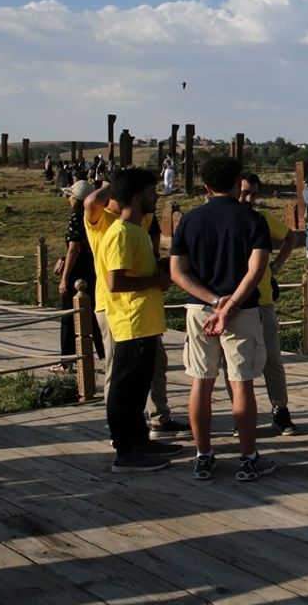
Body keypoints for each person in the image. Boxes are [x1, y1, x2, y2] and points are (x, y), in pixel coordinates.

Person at [170, 155, 274, 482]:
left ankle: (203, 456)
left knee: (201, 381)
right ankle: (248, 456)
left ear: (205, 186)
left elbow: (177, 272)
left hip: (201, 309)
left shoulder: (189, 220)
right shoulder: (253, 220)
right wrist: (229, 306)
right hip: (242, 310)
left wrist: (214, 301)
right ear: (236, 183)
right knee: (241, 383)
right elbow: (255, 271)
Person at [84, 181, 186, 437]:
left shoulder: (137, 222)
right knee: (119, 372)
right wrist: (116, 181)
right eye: (150, 191)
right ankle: (120, 430)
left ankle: (157, 418)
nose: (155, 196)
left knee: (153, 366)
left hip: (142, 310)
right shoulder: (103, 221)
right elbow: (91, 202)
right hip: (114, 307)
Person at [98, 168, 181, 473]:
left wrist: (158, 269)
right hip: (131, 322)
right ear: (136, 196)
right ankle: (125, 450)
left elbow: (137, 272)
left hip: (145, 322)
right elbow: (115, 283)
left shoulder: (137, 230)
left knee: (139, 388)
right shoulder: (120, 233)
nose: (155, 196)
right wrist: (154, 282)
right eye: (151, 191)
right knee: (125, 389)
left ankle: (140, 440)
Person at [236, 173, 300, 436]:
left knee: (272, 360)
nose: (248, 199)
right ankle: (240, 416)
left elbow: (290, 237)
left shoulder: (261, 219)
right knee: (237, 365)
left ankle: (280, 409)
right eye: (244, 193)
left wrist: (276, 266)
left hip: (261, 301)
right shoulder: (226, 219)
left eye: (253, 194)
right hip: (234, 302)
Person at [58, 180, 105, 365]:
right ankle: (105, 352)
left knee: (69, 314)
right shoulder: (95, 216)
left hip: (78, 269)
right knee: (93, 311)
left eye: (70, 196)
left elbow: (73, 248)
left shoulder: (76, 217)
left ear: (76, 199)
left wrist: (64, 277)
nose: (68, 199)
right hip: (92, 266)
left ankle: (67, 360)